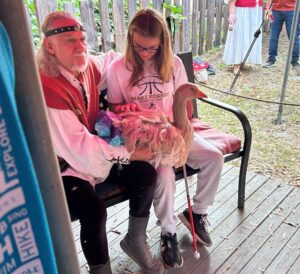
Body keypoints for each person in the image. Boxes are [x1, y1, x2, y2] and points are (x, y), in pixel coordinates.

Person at [37, 11, 164, 274]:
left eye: (82, 39)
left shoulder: (86, 67)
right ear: (49, 46)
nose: (80, 46)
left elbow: (112, 60)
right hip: (60, 168)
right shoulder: (48, 86)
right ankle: (100, 270)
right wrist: (129, 151)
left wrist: (147, 65)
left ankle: (135, 240)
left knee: (146, 175)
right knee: (93, 211)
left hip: (97, 155)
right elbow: (79, 147)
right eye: (70, 40)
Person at [107, 8, 224, 269]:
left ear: (163, 43)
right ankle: (168, 231)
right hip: (148, 140)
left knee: (214, 157)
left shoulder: (174, 64)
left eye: (152, 48)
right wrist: (131, 114)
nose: (145, 53)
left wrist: (176, 125)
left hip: (175, 131)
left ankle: (197, 213)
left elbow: (186, 106)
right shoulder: (118, 68)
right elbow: (114, 110)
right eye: (139, 47)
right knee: (165, 175)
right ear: (130, 40)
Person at [223, 0, 263, 74]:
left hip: (255, 8)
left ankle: (242, 61)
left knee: (250, 34)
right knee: (239, 35)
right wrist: (232, 13)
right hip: (242, 9)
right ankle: (236, 64)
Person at [263, 0, 300, 70]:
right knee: (273, 37)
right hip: (275, 12)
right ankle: (271, 59)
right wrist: (268, 12)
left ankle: (295, 62)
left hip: (292, 11)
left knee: (294, 37)